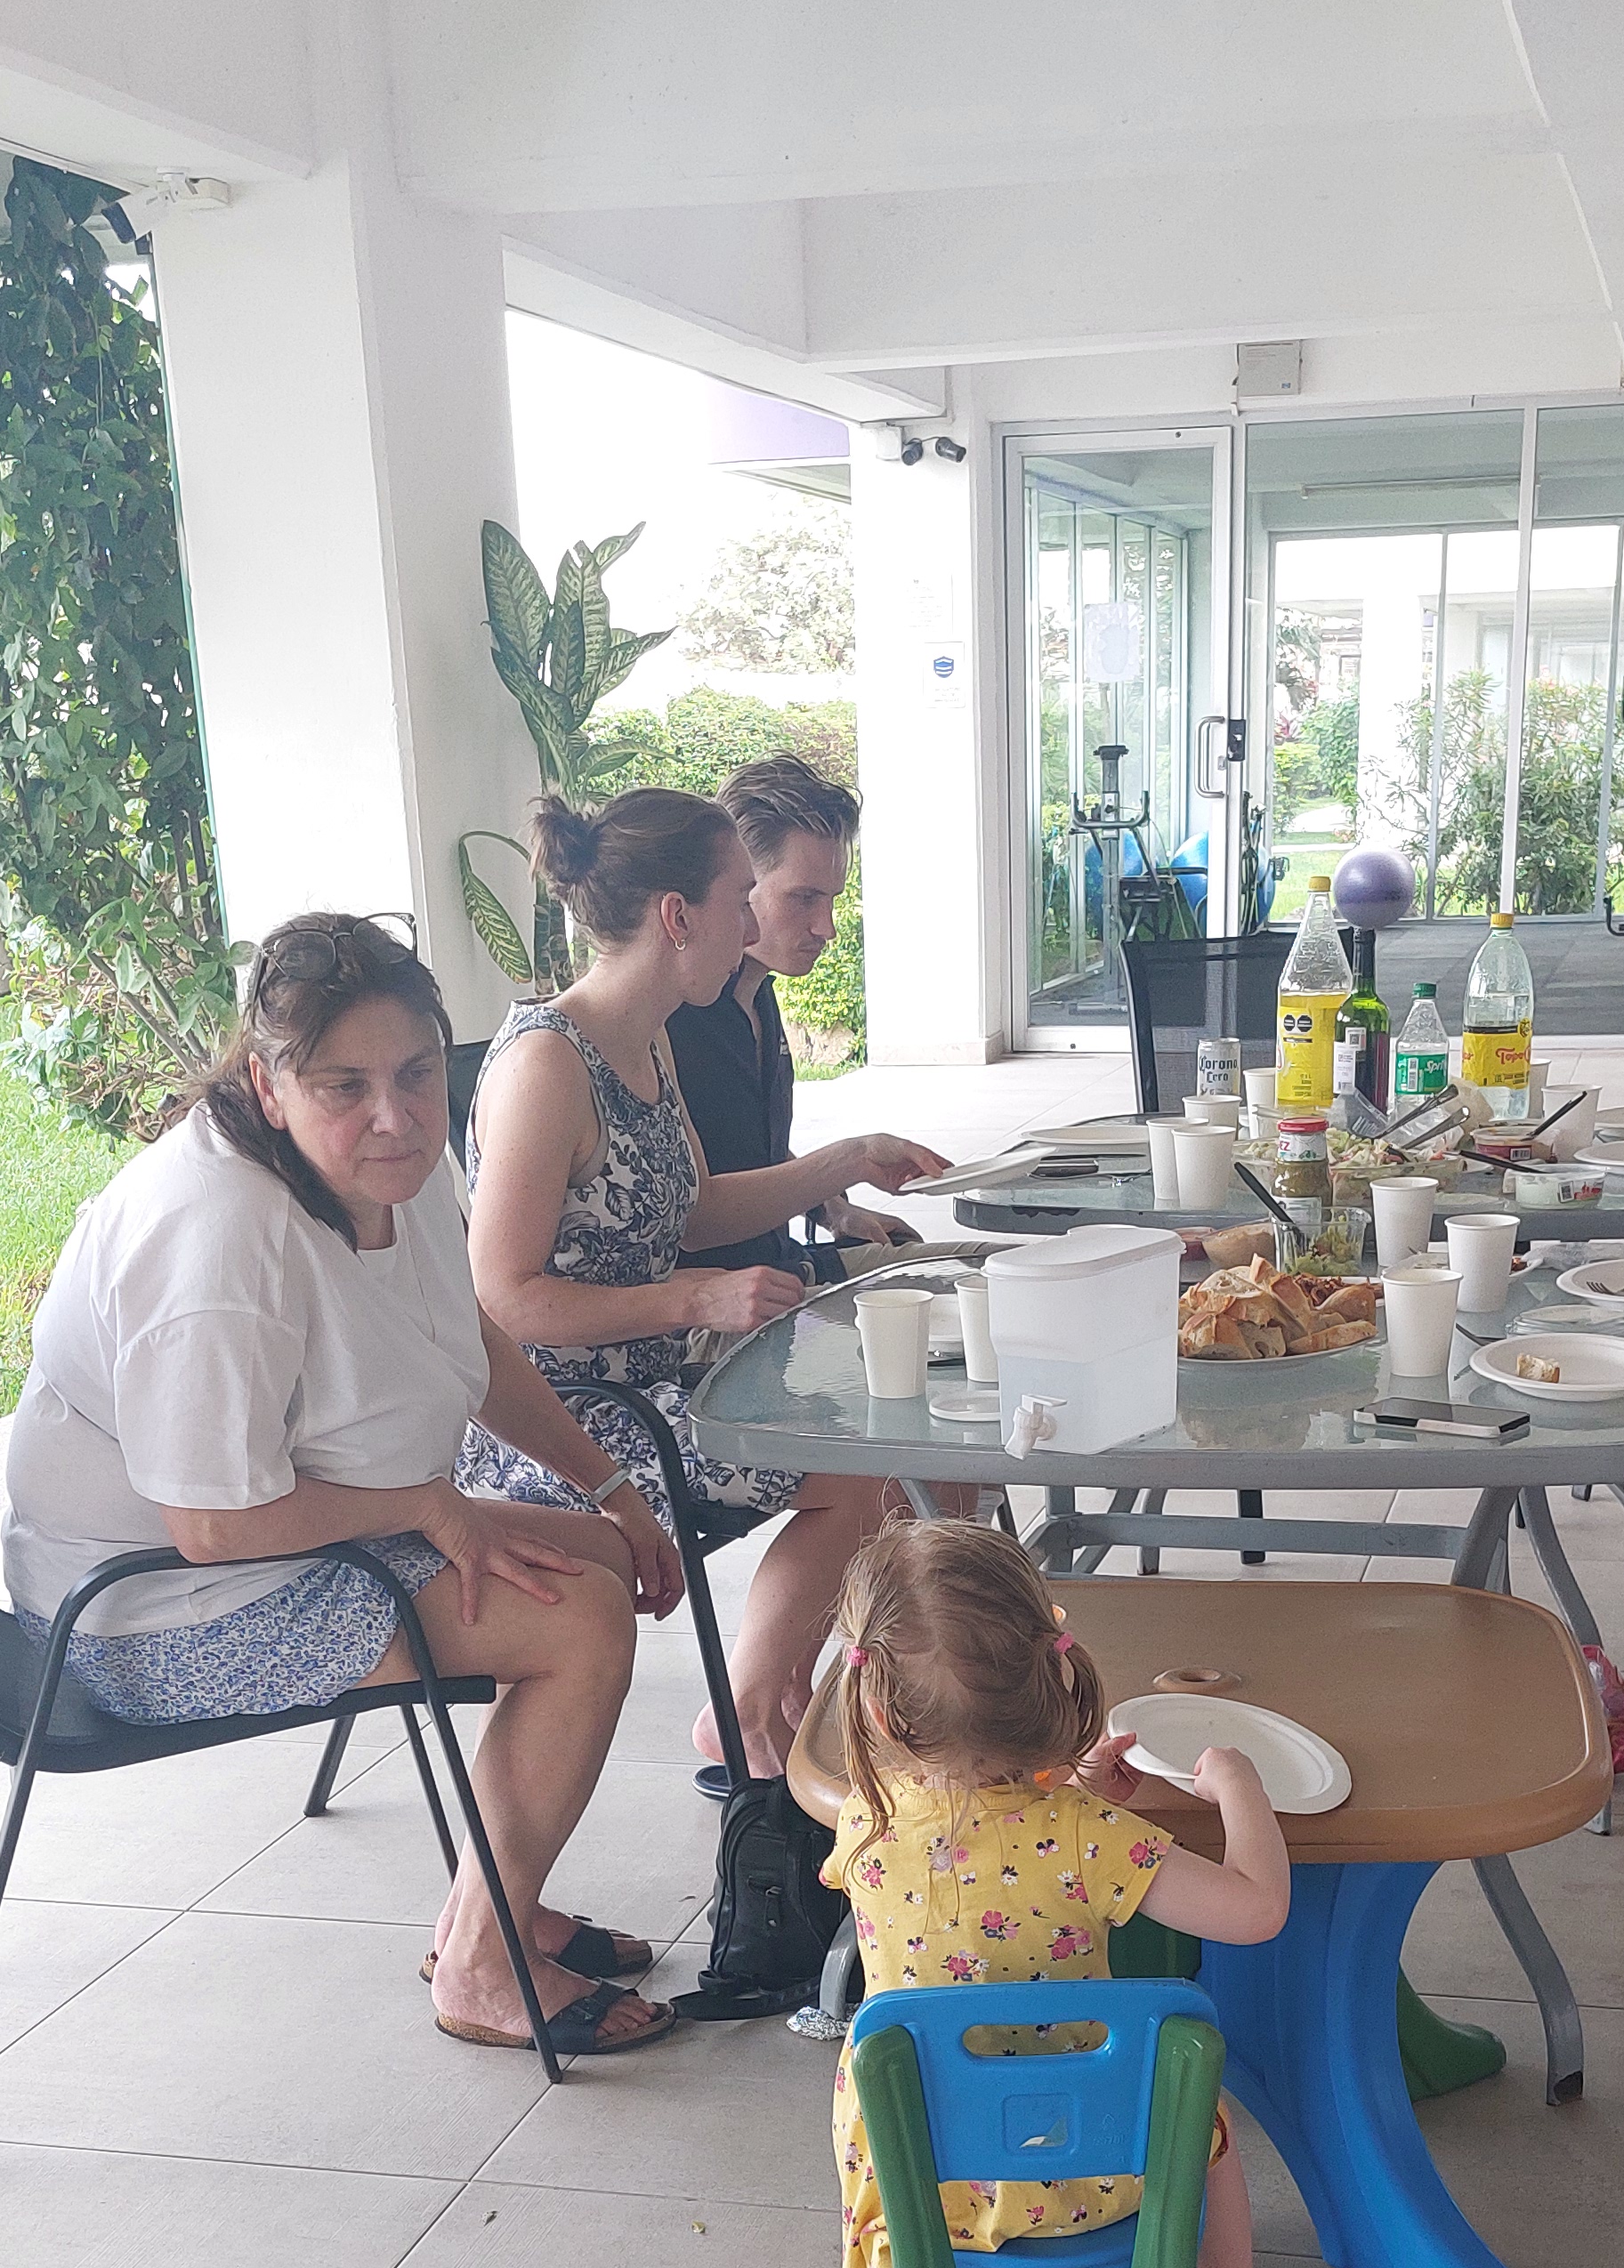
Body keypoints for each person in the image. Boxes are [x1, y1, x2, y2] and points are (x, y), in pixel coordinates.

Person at [1, 913, 684, 2060]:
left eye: (416, 1072)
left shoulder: (389, 1165)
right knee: (580, 1621)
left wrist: (611, 1487)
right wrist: (425, 1506)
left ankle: (496, 1896)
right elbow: (209, 1521)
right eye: (344, 1086)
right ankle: (481, 1958)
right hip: (150, 1607)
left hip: (303, 1529)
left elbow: (462, 1334)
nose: (396, 1115)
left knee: (606, 1555)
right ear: (268, 1088)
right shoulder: (215, 1236)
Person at [460, 787, 949, 1779]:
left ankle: (776, 1710)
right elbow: (501, 1297)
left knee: (890, 1442)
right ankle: (754, 1724)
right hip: (562, 1425)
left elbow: (695, 1209)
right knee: (862, 1471)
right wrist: (691, 1299)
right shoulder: (547, 1064)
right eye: (738, 898)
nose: (751, 926)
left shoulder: (645, 1039)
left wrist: (848, 1160)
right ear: (677, 916)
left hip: (656, 1387)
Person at [821, 1519, 1329, 2268]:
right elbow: (1258, 1909)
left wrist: (1075, 1789)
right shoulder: (1090, 1838)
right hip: (1090, 2163)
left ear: (876, 1706)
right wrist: (1238, 1784)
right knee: (1203, 2116)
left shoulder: (864, 1815)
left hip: (919, 2170)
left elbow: (982, 1861)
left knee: (881, 2074)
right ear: (1049, 1674)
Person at [665, 755, 910, 1279]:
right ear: (737, 882)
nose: (827, 928)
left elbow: (753, 1150)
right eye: (803, 899)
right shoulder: (670, 1019)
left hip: (786, 1269)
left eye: (832, 901)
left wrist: (833, 1208)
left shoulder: (758, 995)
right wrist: (849, 1161)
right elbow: (694, 1215)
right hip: (726, 1303)